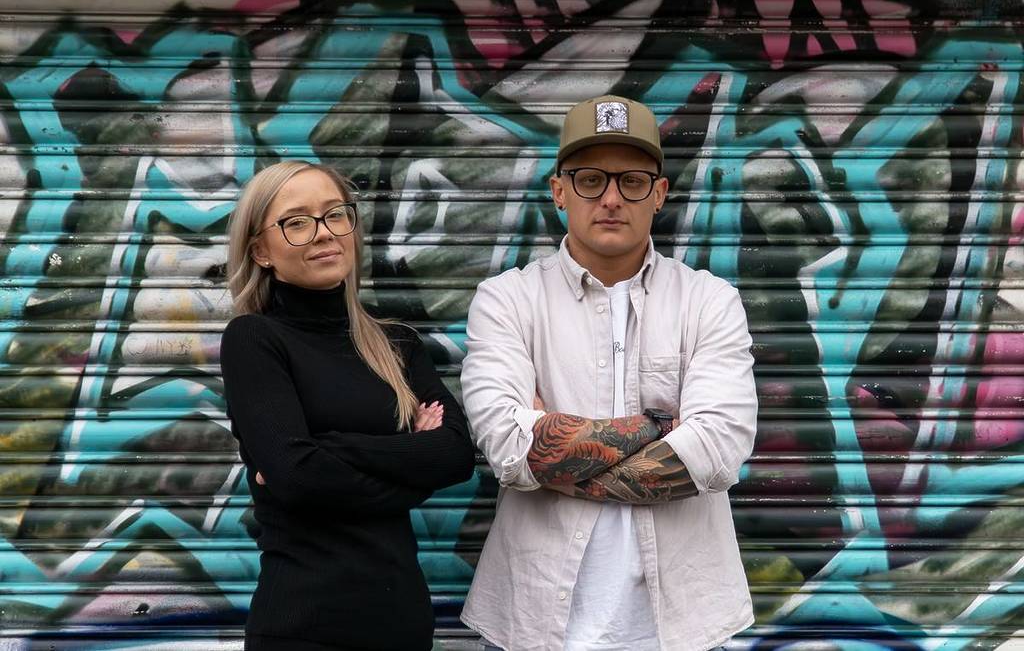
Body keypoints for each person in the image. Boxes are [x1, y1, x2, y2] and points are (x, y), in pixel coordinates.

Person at [460, 96, 758, 651]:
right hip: (533, 624)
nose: (613, 198)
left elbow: (718, 449)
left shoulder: (710, 302)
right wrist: (662, 429)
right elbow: (507, 445)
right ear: (559, 192)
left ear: (660, 194)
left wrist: (556, 444)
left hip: (683, 627)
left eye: (633, 181)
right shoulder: (507, 301)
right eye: (591, 179)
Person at [220, 160, 476, 651]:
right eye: (296, 223)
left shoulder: (397, 344)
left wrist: (330, 449)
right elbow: (297, 477)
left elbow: (456, 455)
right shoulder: (255, 340)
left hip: (402, 623)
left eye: (335, 214)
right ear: (261, 251)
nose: (324, 233)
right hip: (304, 628)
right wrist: (409, 465)